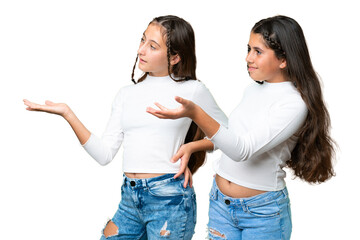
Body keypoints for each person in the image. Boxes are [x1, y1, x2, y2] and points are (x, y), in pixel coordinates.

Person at [23, 15, 227, 240]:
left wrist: (192, 147)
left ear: (175, 57)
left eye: (152, 46)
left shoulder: (193, 90)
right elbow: (104, 154)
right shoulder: (126, 95)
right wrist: (67, 114)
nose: (141, 50)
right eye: (142, 41)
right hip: (129, 198)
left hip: (170, 199)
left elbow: (229, 137)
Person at [147, 15, 336, 240]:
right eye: (248, 49)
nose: (248, 58)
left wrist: (196, 113)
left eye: (258, 51)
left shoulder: (293, 104)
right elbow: (232, 138)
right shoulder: (253, 90)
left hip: (262, 214)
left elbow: (242, 150)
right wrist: (194, 146)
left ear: (283, 59)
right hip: (220, 205)